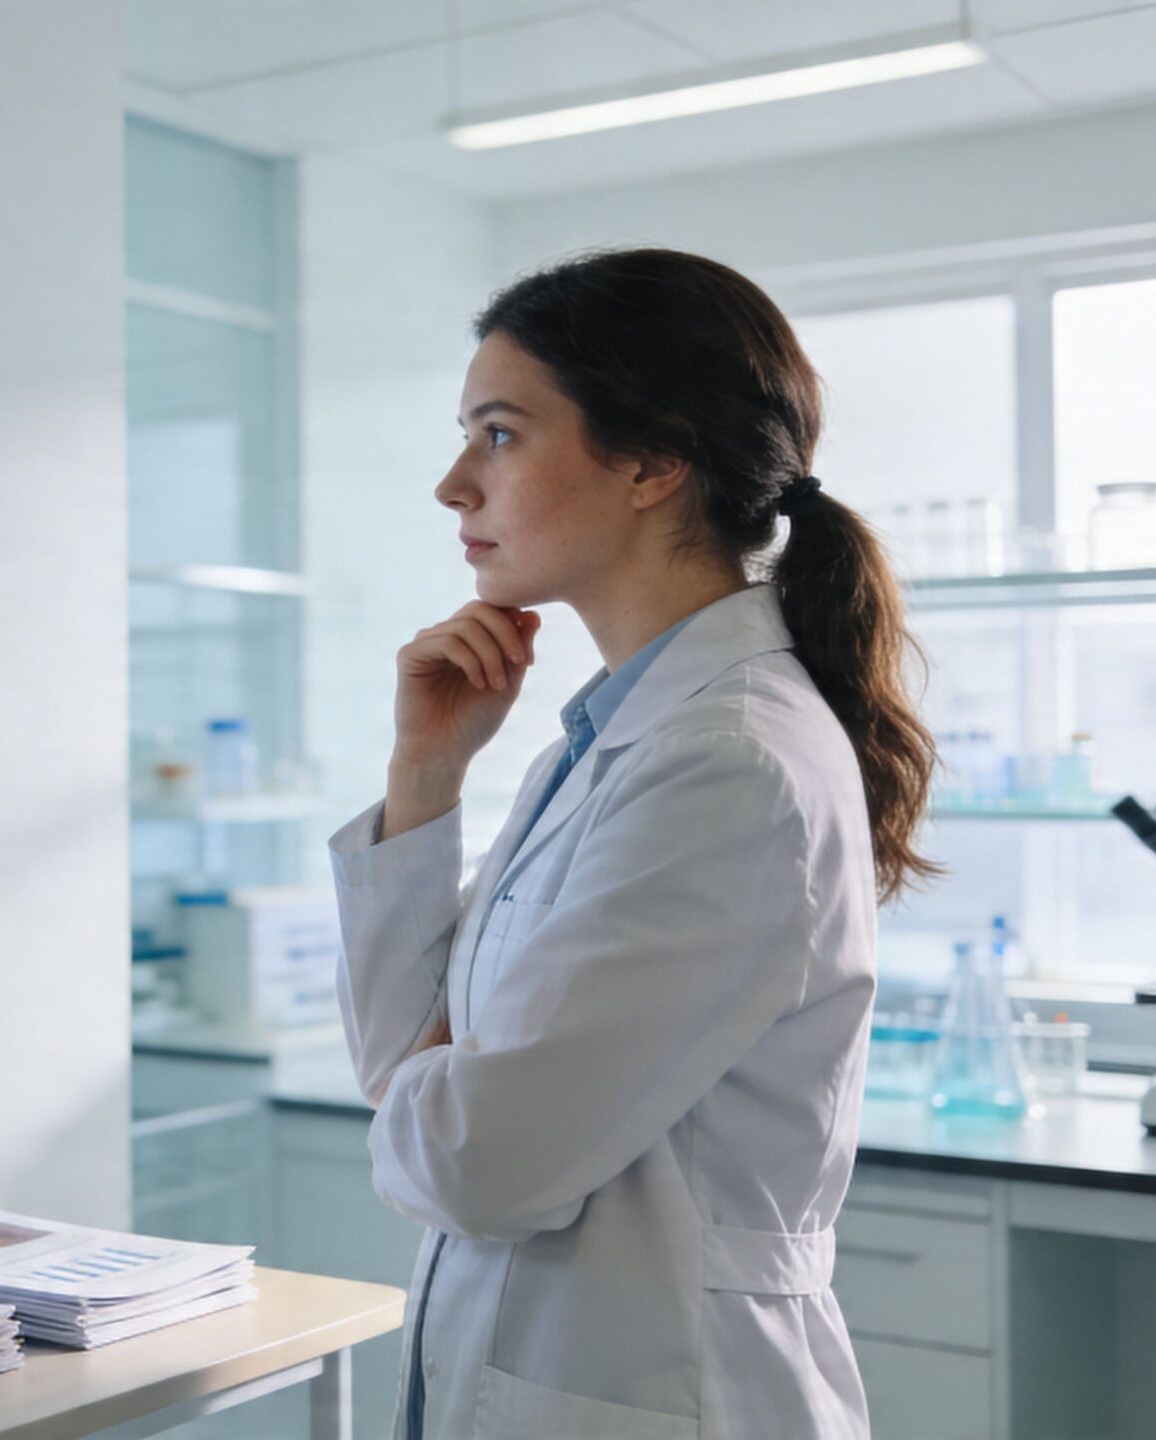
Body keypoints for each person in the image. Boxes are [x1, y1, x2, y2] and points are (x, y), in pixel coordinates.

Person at [330, 247, 937, 1439]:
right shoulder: (611, 737)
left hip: (665, 1393)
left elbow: (477, 1166)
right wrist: (424, 777)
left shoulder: (726, 761)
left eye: (499, 433)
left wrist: (436, 1093)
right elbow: (413, 1067)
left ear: (654, 460)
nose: (455, 484)